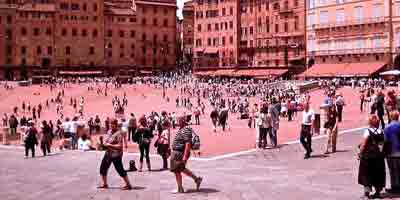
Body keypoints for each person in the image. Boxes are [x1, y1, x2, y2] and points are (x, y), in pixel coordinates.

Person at [170, 116, 203, 193]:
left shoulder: (185, 129)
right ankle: (196, 179)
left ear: (183, 121)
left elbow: (187, 143)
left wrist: (184, 157)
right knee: (181, 168)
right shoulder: (183, 129)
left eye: (178, 120)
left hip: (179, 152)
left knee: (176, 170)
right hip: (178, 152)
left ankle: (180, 188)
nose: (177, 122)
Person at [98, 118, 132, 190]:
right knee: (103, 168)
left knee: (120, 170)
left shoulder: (119, 133)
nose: (110, 125)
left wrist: (109, 145)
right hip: (108, 154)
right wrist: (103, 144)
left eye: (112, 124)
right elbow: (107, 141)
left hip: (116, 155)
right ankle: (105, 184)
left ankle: (128, 185)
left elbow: (120, 146)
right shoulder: (109, 131)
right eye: (110, 124)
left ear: (116, 125)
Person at [358, 115, 386, 199]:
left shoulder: (367, 131)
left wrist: (360, 153)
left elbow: (364, 144)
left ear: (370, 122)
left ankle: (367, 194)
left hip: (368, 156)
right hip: (378, 156)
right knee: (378, 173)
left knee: (366, 174)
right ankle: (377, 192)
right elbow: (382, 144)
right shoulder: (381, 131)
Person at [383, 111, 400, 193]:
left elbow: (385, 140)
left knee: (392, 170)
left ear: (390, 117)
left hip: (391, 151)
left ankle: (394, 187)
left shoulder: (387, 128)